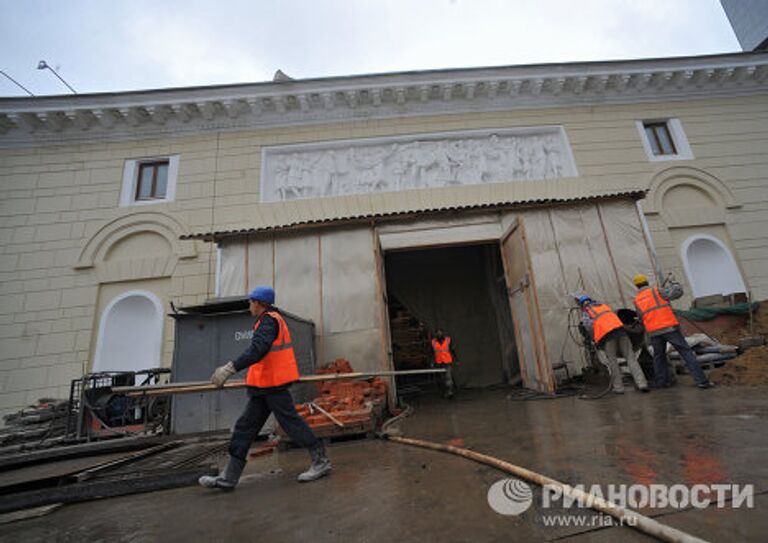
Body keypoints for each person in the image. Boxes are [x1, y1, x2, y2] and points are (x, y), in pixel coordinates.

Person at [199, 286, 331, 490]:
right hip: (263, 385)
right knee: (245, 428)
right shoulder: (267, 320)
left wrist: (230, 368)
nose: (249, 305)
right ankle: (229, 477)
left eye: (251, 301)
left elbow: (258, 350)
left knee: (291, 424)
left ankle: (321, 461)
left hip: (274, 384)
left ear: (259, 303)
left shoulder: (269, 321)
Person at [632, 274, 714, 390]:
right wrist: (673, 282)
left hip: (654, 332)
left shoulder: (637, 300)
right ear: (647, 282)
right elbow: (677, 293)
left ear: (636, 286)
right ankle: (702, 381)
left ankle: (662, 382)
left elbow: (641, 318)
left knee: (658, 357)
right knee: (686, 352)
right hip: (669, 327)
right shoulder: (657, 291)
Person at [578, 295, 649, 394]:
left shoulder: (587, 312)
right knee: (631, 358)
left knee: (613, 362)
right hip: (622, 332)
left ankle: (619, 388)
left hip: (608, 337)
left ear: (582, 305)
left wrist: (594, 338)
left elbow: (589, 327)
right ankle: (642, 384)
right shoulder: (604, 306)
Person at [430, 329, 455, 398]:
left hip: (447, 361)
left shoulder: (448, 340)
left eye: (440, 332)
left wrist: (455, 359)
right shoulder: (433, 342)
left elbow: (452, 350)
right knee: (442, 378)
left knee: (448, 377)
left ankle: (450, 391)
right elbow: (432, 353)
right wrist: (432, 362)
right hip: (439, 362)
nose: (439, 334)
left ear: (443, 333)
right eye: (437, 332)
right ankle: (445, 391)